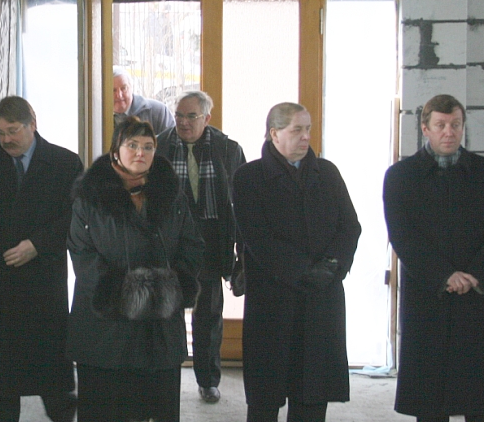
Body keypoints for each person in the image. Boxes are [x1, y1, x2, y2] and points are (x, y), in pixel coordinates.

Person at [383, 94, 484, 422]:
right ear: (425, 129)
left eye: (455, 124)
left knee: (483, 399)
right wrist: (444, 275)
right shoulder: (401, 176)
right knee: (431, 400)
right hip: (429, 296)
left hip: (477, 295)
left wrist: (475, 274)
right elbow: (402, 235)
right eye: (441, 125)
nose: (449, 132)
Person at [67, 116, 204, 422]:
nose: (141, 152)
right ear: (116, 150)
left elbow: (193, 246)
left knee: (156, 410)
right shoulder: (89, 197)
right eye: (132, 145)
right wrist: (128, 294)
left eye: (148, 146)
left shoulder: (172, 194)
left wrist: (169, 289)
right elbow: (82, 255)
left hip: (160, 329)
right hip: (105, 327)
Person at [0, 96, 83, 422]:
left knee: (53, 381)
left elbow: (75, 217)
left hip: (42, 284)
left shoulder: (65, 163)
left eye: (12, 131)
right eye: (0, 132)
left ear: (32, 125)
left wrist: (38, 244)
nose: (6, 139)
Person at [232, 102, 361, 422]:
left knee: (313, 392)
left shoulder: (327, 173)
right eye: (297, 130)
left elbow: (350, 226)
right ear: (274, 134)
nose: (306, 137)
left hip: (322, 298)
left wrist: (331, 266)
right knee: (266, 395)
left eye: (308, 129)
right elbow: (257, 237)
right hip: (273, 300)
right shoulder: (249, 177)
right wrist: (303, 272)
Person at [156, 90, 245, 403]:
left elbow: (241, 204)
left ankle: (208, 380)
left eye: (191, 116)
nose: (183, 122)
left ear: (207, 118)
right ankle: (165, 377)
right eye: (179, 115)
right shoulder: (159, 146)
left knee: (207, 316)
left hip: (210, 241)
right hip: (169, 242)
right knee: (166, 313)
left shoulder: (227, 149)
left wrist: (240, 253)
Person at [113, 66, 175, 135]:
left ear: (131, 88)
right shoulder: (103, 117)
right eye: (113, 90)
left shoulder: (158, 111)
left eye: (124, 88)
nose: (119, 95)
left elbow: (173, 139)